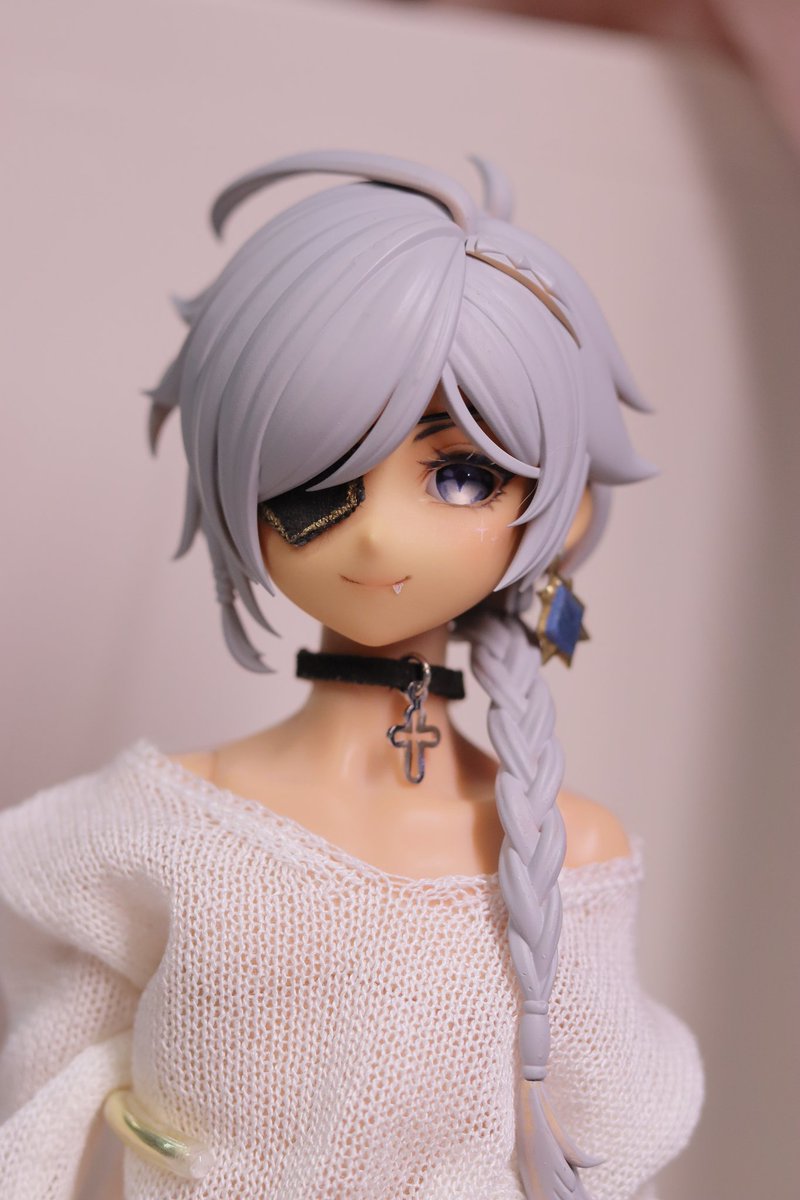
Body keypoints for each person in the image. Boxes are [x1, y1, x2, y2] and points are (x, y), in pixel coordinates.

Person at [0, 151, 704, 1200]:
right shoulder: (153, 829)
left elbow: (605, 1149)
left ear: (563, 513)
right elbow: (41, 1122)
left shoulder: (569, 856)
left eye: (458, 475)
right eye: (315, 479)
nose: (375, 535)